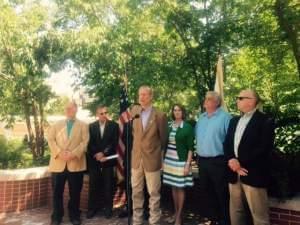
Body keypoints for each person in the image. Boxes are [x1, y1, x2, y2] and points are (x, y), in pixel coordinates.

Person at [224, 89, 275, 225]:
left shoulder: (265, 121)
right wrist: (232, 161)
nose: (237, 100)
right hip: (233, 173)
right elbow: (227, 143)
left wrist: (239, 163)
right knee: (236, 212)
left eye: (240, 98)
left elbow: (264, 148)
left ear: (252, 101)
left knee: (259, 217)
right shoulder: (234, 121)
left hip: (254, 174)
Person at [131, 85, 168, 225]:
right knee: (136, 192)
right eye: (140, 94)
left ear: (151, 96)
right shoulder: (134, 111)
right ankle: (137, 221)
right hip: (136, 159)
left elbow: (163, 138)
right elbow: (134, 134)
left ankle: (154, 221)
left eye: (145, 94)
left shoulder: (160, 115)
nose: (141, 97)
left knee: (154, 193)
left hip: (152, 159)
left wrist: (155, 151)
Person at [48, 101, 89, 225]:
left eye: (71, 108)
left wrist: (73, 154)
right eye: (66, 108)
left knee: (75, 193)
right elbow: (50, 139)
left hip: (76, 164)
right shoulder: (56, 124)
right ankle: (56, 216)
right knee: (56, 193)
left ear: (76, 109)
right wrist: (59, 153)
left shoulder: (83, 125)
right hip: (58, 164)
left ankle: (75, 216)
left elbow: (85, 142)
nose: (68, 110)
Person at [195, 91, 232, 225]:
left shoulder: (225, 117)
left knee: (221, 192)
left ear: (216, 102)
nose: (206, 100)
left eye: (209, 99)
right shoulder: (202, 117)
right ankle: (214, 219)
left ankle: (225, 220)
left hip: (218, 161)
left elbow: (230, 140)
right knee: (207, 191)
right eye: (206, 98)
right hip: (202, 161)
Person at [162, 104, 194, 225]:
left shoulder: (187, 127)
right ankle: (175, 213)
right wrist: (162, 161)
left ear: (183, 112)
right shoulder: (169, 126)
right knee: (173, 188)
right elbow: (163, 144)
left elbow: (191, 148)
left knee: (180, 188)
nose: (177, 112)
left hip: (180, 162)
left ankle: (179, 217)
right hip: (169, 161)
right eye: (174, 110)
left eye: (179, 110)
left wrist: (187, 165)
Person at [86, 105, 119, 219]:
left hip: (108, 160)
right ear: (97, 114)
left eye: (106, 113)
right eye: (102, 113)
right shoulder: (91, 126)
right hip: (94, 161)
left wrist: (103, 153)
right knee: (93, 185)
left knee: (108, 186)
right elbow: (89, 143)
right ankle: (92, 209)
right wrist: (97, 154)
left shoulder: (114, 126)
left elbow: (114, 143)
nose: (104, 115)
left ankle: (108, 209)